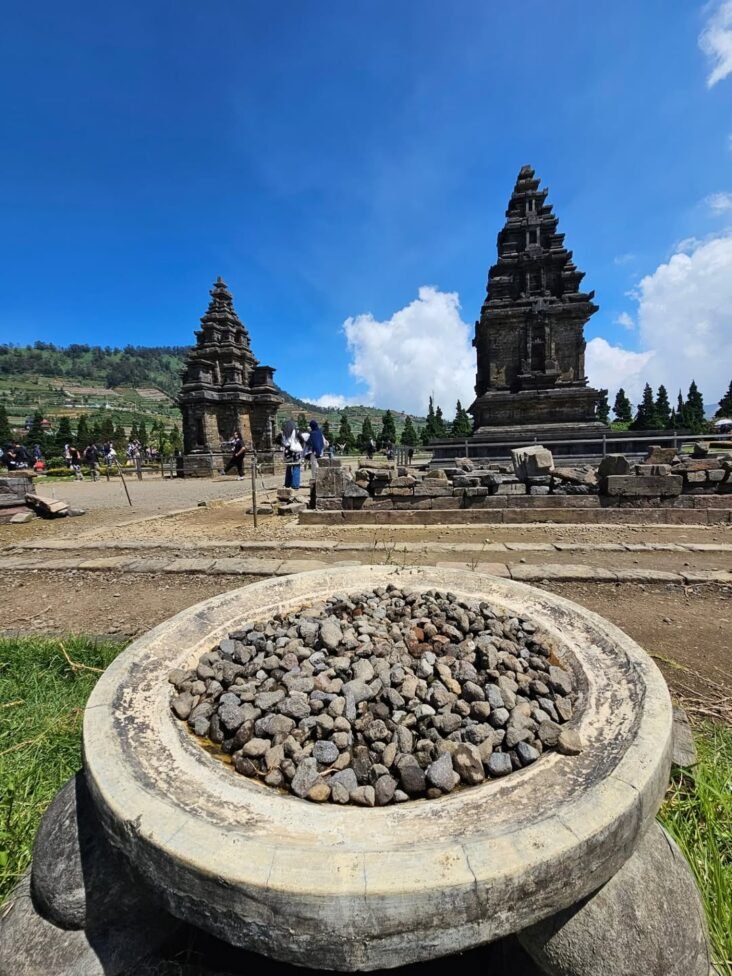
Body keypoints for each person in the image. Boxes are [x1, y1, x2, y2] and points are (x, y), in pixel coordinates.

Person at [280, 420, 303, 490]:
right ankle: (295, 485)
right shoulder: (295, 431)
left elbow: (279, 440)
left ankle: (287, 483)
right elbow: (301, 438)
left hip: (287, 451)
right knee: (296, 467)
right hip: (295, 450)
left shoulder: (283, 432)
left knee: (288, 467)